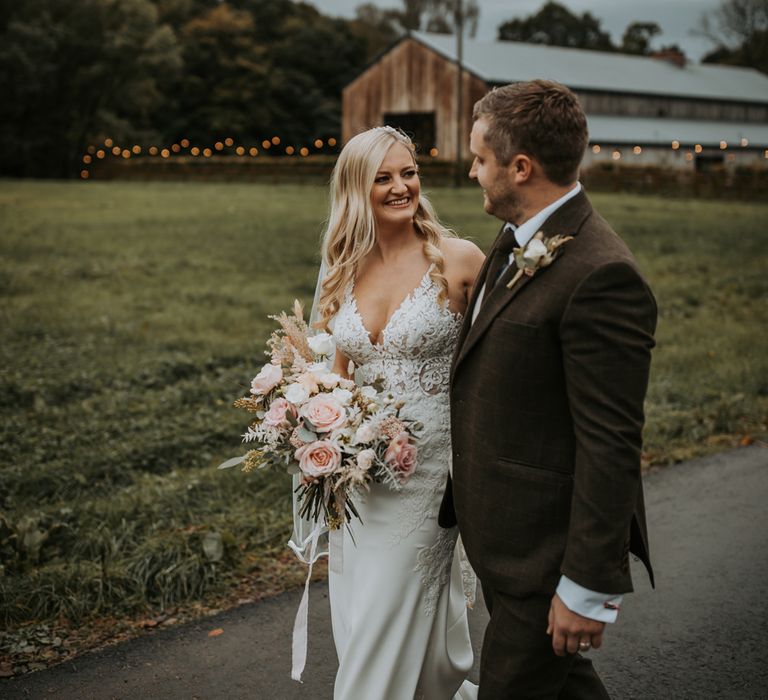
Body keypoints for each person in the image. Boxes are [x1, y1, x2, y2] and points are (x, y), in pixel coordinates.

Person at [439, 80, 657, 698]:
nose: (474, 172)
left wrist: (586, 588)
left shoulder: (602, 275)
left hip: (544, 556)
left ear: (521, 167)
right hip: (505, 541)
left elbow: (612, 445)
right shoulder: (513, 240)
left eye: (481, 159)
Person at [312, 125, 485, 699]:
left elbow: (498, 366)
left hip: (433, 478)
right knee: (366, 621)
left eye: (407, 172)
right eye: (382, 178)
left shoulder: (459, 261)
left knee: (383, 627)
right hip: (363, 481)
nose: (399, 186)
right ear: (356, 190)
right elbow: (335, 378)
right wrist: (315, 431)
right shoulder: (343, 270)